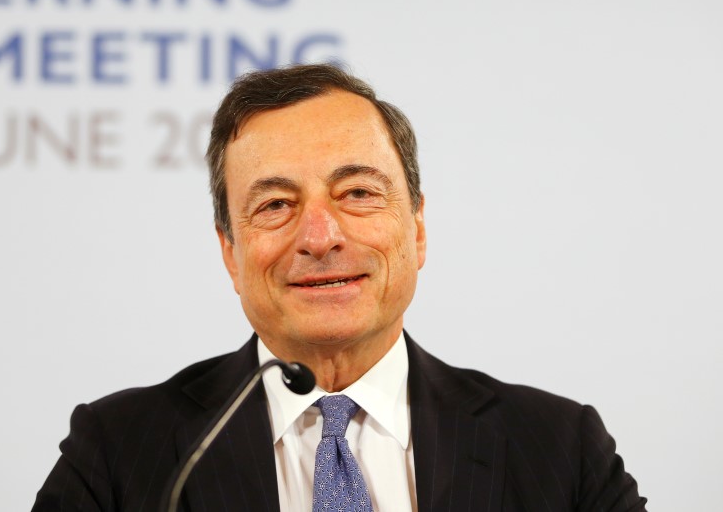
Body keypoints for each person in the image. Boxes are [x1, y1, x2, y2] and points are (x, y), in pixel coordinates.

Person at [33, 64, 647, 511]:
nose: (320, 236)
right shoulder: (118, 454)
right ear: (230, 252)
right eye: (275, 204)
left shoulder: (559, 450)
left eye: (357, 193)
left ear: (417, 227)